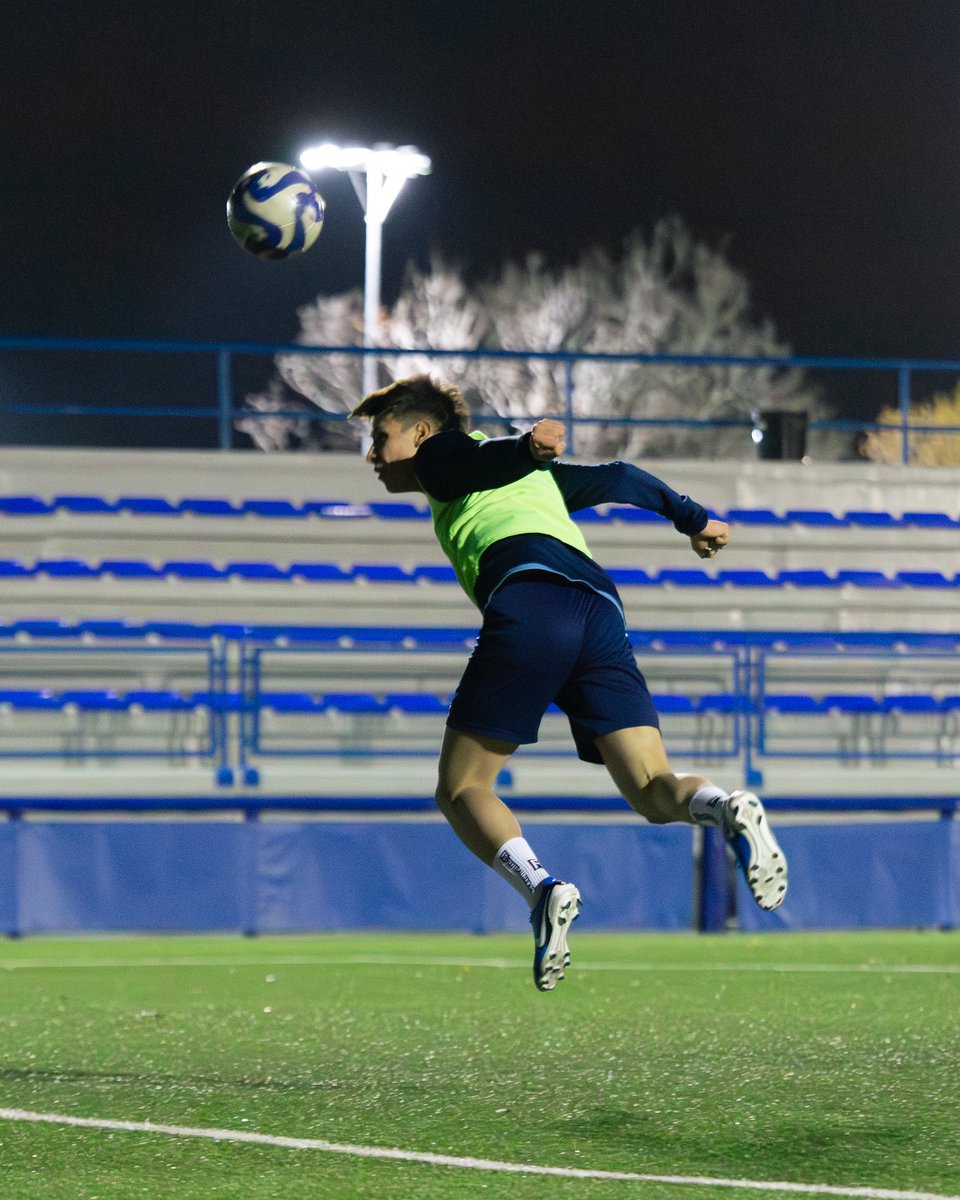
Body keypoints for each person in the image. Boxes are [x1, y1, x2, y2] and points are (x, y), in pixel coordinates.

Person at [350, 376, 787, 991]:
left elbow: (471, 458)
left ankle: (542, 890)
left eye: (381, 436)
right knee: (652, 789)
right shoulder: (534, 483)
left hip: (532, 600)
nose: (372, 454)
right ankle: (728, 806)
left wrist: (525, 447)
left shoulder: (441, 455)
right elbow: (618, 478)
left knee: (461, 787)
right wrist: (694, 519)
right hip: (600, 609)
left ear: (420, 432)